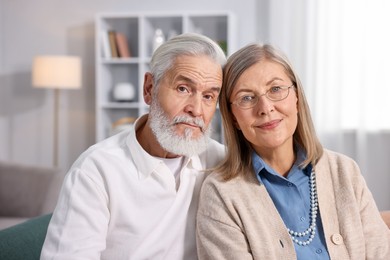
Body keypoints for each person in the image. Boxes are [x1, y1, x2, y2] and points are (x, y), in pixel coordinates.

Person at [40, 33, 227, 259]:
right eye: (183, 89)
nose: (196, 110)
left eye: (208, 96)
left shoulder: (221, 161)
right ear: (149, 88)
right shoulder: (95, 170)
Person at [196, 43, 390, 259]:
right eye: (247, 98)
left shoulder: (344, 171)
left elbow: (380, 252)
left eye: (276, 89)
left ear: (296, 97)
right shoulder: (220, 194)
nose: (265, 108)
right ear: (233, 117)